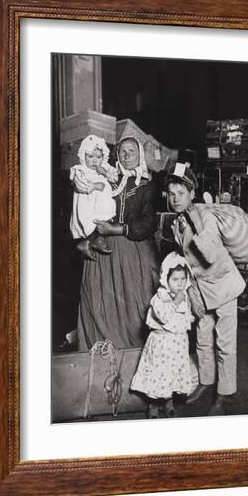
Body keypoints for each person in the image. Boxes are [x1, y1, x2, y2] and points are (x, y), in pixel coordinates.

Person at [166, 164, 246, 415]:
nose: (175, 198)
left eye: (181, 193)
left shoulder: (205, 216)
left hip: (223, 286)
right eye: (171, 193)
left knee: (225, 343)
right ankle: (206, 381)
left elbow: (209, 253)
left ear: (192, 193)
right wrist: (191, 294)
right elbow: (186, 263)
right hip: (200, 289)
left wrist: (197, 220)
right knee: (202, 339)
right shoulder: (176, 222)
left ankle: (224, 394)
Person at [74, 136, 159, 351]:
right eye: (122, 151)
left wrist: (117, 229)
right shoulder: (107, 178)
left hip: (132, 251)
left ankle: (135, 357)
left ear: (140, 155)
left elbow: (148, 224)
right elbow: (86, 207)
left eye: (132, 151)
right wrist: (87, 238)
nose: (127, 155)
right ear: (116, 156)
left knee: (135, 306)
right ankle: (101, 357)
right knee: (98, 302)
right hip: (103, 250)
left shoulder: (147, 186)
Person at [130, 252, 196, 419]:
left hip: (177, 344)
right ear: (166, 280)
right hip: (162, 344)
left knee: (172, 374)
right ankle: (153, 405)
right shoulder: (160, 298)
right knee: (158, 375)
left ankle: (168, 402)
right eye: (175, 280)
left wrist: (191, 317)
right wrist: (176, 302)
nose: (179, 284)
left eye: (182, 279)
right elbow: (164, 316)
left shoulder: (185, 297)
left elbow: (185, 316)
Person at [69, 135, 118, 260]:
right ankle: (86, 242)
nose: (95, 160)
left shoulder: (104, 167)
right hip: (87, 202)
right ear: (83, 156)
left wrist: (104, 172)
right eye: (90, 157)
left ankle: (97, 241)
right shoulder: (80, 170)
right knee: (90, 222)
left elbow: (114, 178)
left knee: (103, 221)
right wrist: (95, 186)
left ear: (104, 156)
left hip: (102, 203)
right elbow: (80, 186)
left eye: (98, 157)